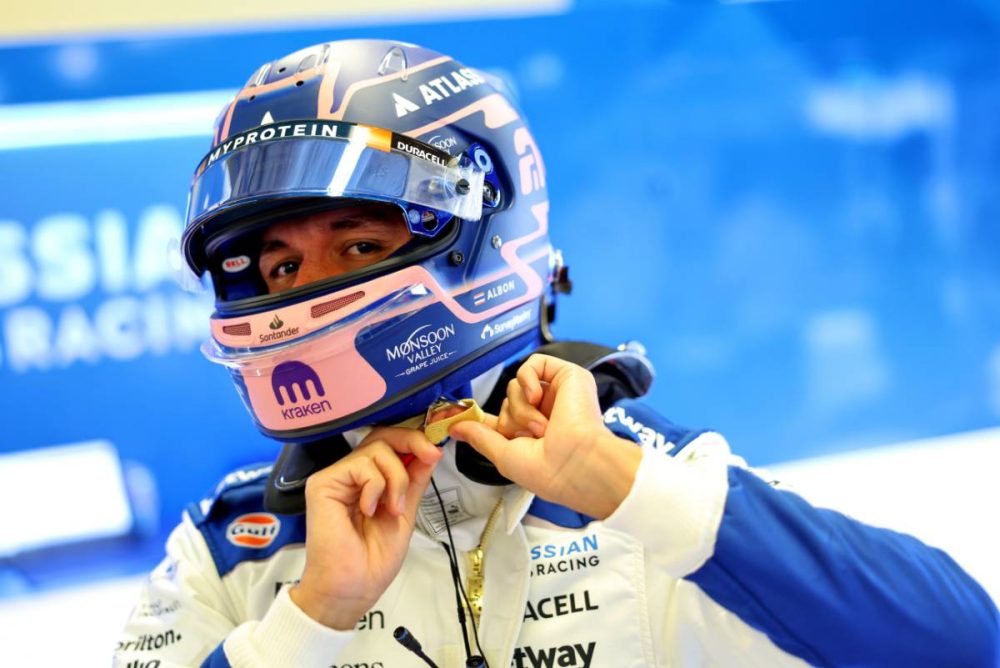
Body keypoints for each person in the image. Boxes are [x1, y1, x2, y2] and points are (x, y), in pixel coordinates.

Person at [114, 39, 998, 668]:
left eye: (358, 246)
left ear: (485, 236)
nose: (304, 288)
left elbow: (963, 644)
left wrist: (626, 488)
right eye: (279, 266)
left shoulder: (652, 489)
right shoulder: (232, 549)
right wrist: (311, 619)